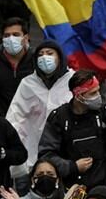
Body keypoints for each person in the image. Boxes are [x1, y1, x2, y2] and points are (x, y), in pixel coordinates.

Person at [38, 70, 106, 197]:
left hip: (103, 190)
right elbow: (46, 155)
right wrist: (72, 167)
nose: (98, 96)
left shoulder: (105, 114)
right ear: (78, 95)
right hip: (71, 192)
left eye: (98, 90)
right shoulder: (58, 118)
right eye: (93, 93)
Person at [6, 40, 74, 184]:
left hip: (65, 156)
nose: (45, 58)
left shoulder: (72, 81)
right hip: (31, 154)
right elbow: (15, 117)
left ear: (60, 57)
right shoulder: (28, 83)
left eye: (49, 54)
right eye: (41, 55)